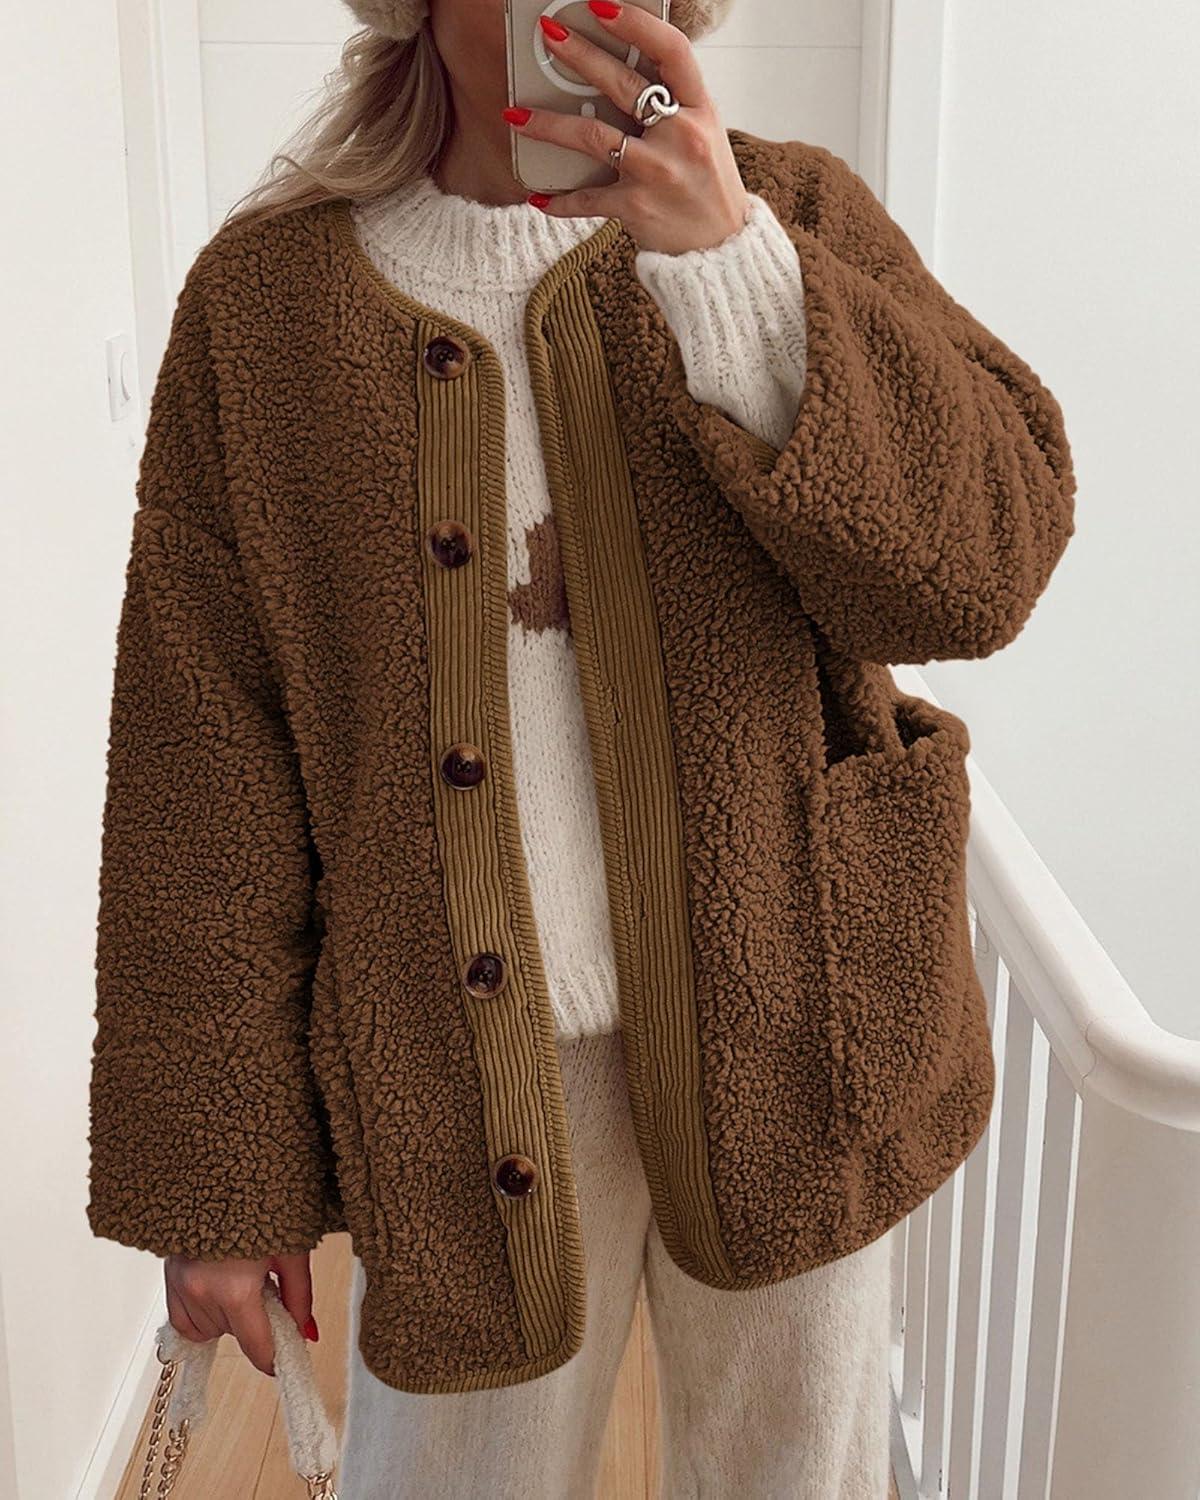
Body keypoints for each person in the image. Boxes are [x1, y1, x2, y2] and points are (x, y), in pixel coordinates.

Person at [85, 1, 1077, 1495]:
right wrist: (218, 1181)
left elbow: (983, 566)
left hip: (798, 1026)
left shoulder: (787, 214)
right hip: (452, 1072)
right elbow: (201, 770)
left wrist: (738, 272)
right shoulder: (268, 306)